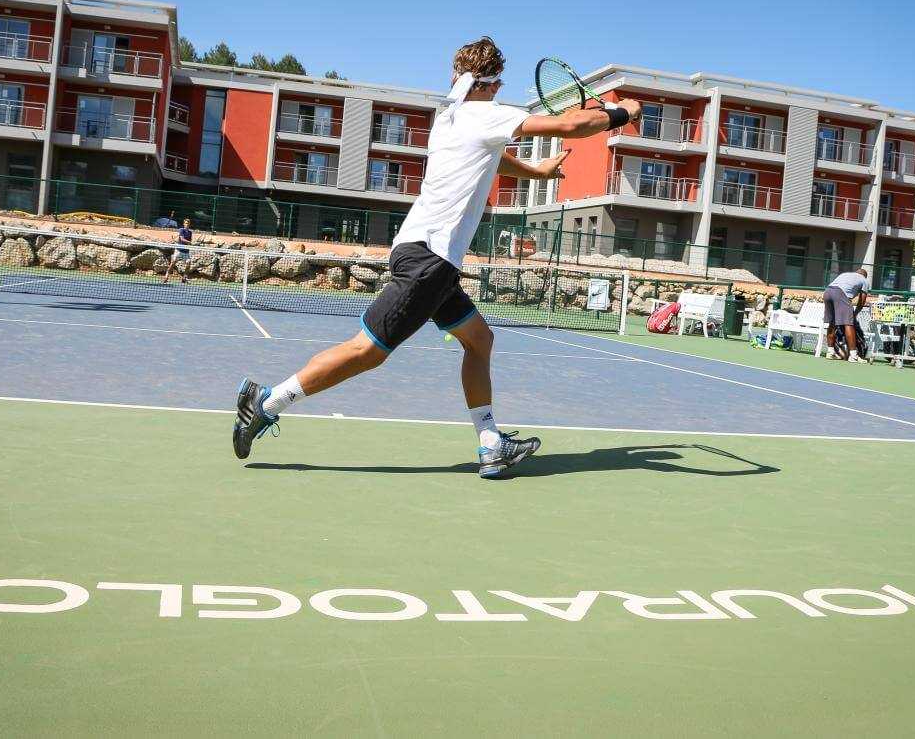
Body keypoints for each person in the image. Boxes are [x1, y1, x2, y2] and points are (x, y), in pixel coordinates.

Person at [232, 36, 642, 477]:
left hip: (429, 257)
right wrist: (622, 113)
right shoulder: (485, 113)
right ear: (492, 82)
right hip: (429, 259)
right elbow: (569, 126)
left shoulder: (449, 118)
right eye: (499, 82)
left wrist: (538, 170)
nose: (501, 89)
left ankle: (490, 445)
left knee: (479, 341)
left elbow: (492, 160)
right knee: (367, 351)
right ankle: (268, 402)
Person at [823, 267, 869, 362]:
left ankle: (830, 352)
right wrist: (855, 313)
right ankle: (853, 355)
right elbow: (862, 300)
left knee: (832, 322)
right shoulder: (864, 280)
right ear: (865, 276)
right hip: (840, 293)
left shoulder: (845, 274)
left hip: (827, 292)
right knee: (849, 324)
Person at [162, 218, 192, 285]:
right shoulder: (181, 230)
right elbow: (182, 239)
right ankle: (166, 276)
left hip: (186, 252)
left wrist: (190, 243)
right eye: (186, 223)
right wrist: (190, 242)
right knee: (173, 263)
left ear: (189, 224)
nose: (187, 225)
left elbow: (188, 242)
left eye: (188, 223)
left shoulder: (190, 232)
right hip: (179, 250)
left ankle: (184, 278)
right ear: (184, 224)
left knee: (188, 263)